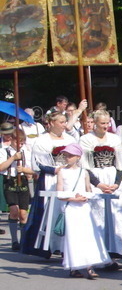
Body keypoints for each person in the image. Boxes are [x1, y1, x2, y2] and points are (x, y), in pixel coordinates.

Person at [79, 109, 122, 260]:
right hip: (95, 177)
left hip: (112, 177)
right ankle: (99, 248)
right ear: (95, 124)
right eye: (102, 123)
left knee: (118, 214)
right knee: (98, 215)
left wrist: (117, 183)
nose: (105, 126)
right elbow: (85, 165)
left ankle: (120, 248)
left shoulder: (114, 139)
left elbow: (120, 163)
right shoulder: (86, 139)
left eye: (107, 123)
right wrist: (98, 184)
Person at [22, 109, 75, 258]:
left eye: (65, 122)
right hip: (51, 179)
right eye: (61, 122)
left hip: (69, 178)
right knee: (50, 212)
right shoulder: (42, 140)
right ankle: (49, 246)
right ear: (51, 123)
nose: (64, 125)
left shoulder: (70, 139)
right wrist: (56, 169)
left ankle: (66, 246)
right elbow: (38, 164)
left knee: (66, 212)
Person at [55, 144, 109, 279]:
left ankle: (89, 267)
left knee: (89, 235)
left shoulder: (84, 172)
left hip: (83, 208)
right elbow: (59, 193)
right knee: (74, 237)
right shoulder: (62, 172)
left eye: (70, 155)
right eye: (66, 155)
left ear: (78, 157)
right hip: (71, 208)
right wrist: (74, 198)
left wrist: (85, 197)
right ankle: (74, 266)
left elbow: (88, 190)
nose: (67, 158)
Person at [1, 123, 32, 250]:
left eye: (23, 142)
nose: (20, 145)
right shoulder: (4, 151)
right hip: (10, 181)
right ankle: (14, 241)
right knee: (13, 211)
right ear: (12, 140)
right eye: (18, 142)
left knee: (23, 214)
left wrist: (25, 170)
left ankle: (23, 240)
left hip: (23, 181)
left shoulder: (27, 152)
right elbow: (1, 167)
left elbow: (32, 171)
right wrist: (13, 158)